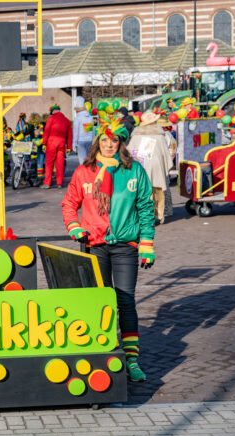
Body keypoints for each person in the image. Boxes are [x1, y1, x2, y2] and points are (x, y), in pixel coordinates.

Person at [61, 114, 156, 382]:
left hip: (125, 246)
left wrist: (147, 244)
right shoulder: (84, 172)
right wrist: (74, 227)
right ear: (97, 142)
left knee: (125, 301)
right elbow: (69, 203)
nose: (109, 145)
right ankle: (103, 354)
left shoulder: (134, 171)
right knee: (99, 302)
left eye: (114, 140)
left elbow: (145, 208)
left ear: (121, 143)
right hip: (95, 246)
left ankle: (131, 360)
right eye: (104, 140)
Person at [127, 111, 173, 225]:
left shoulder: (136, 136)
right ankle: (158, 214)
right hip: (157, 166)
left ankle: (144, 215)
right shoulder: (159, 135)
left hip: (140, 166)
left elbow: (129, 152)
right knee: (157, 190)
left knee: (142, 191)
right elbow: (165, 153)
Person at [41, 104, 72, 189]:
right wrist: (69, 147)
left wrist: (44, 143)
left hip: (52, 142)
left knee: (49, 163)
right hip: (62, 143)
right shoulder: (67, 121)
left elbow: (46, 131)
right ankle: (59, 183)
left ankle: (47, 183)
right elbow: (70, 135)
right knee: (60, 164)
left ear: (53, 111)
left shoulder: (51, 119)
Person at [72, 96, 94, 165]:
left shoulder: (77, 118)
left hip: (81, 141)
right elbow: (91, 130)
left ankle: (84, 171)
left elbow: (76, 132)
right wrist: (92, 140)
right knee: (89, 159)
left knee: (82, 161)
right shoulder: (89, 117)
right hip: (89, 140)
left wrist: (74, 144)